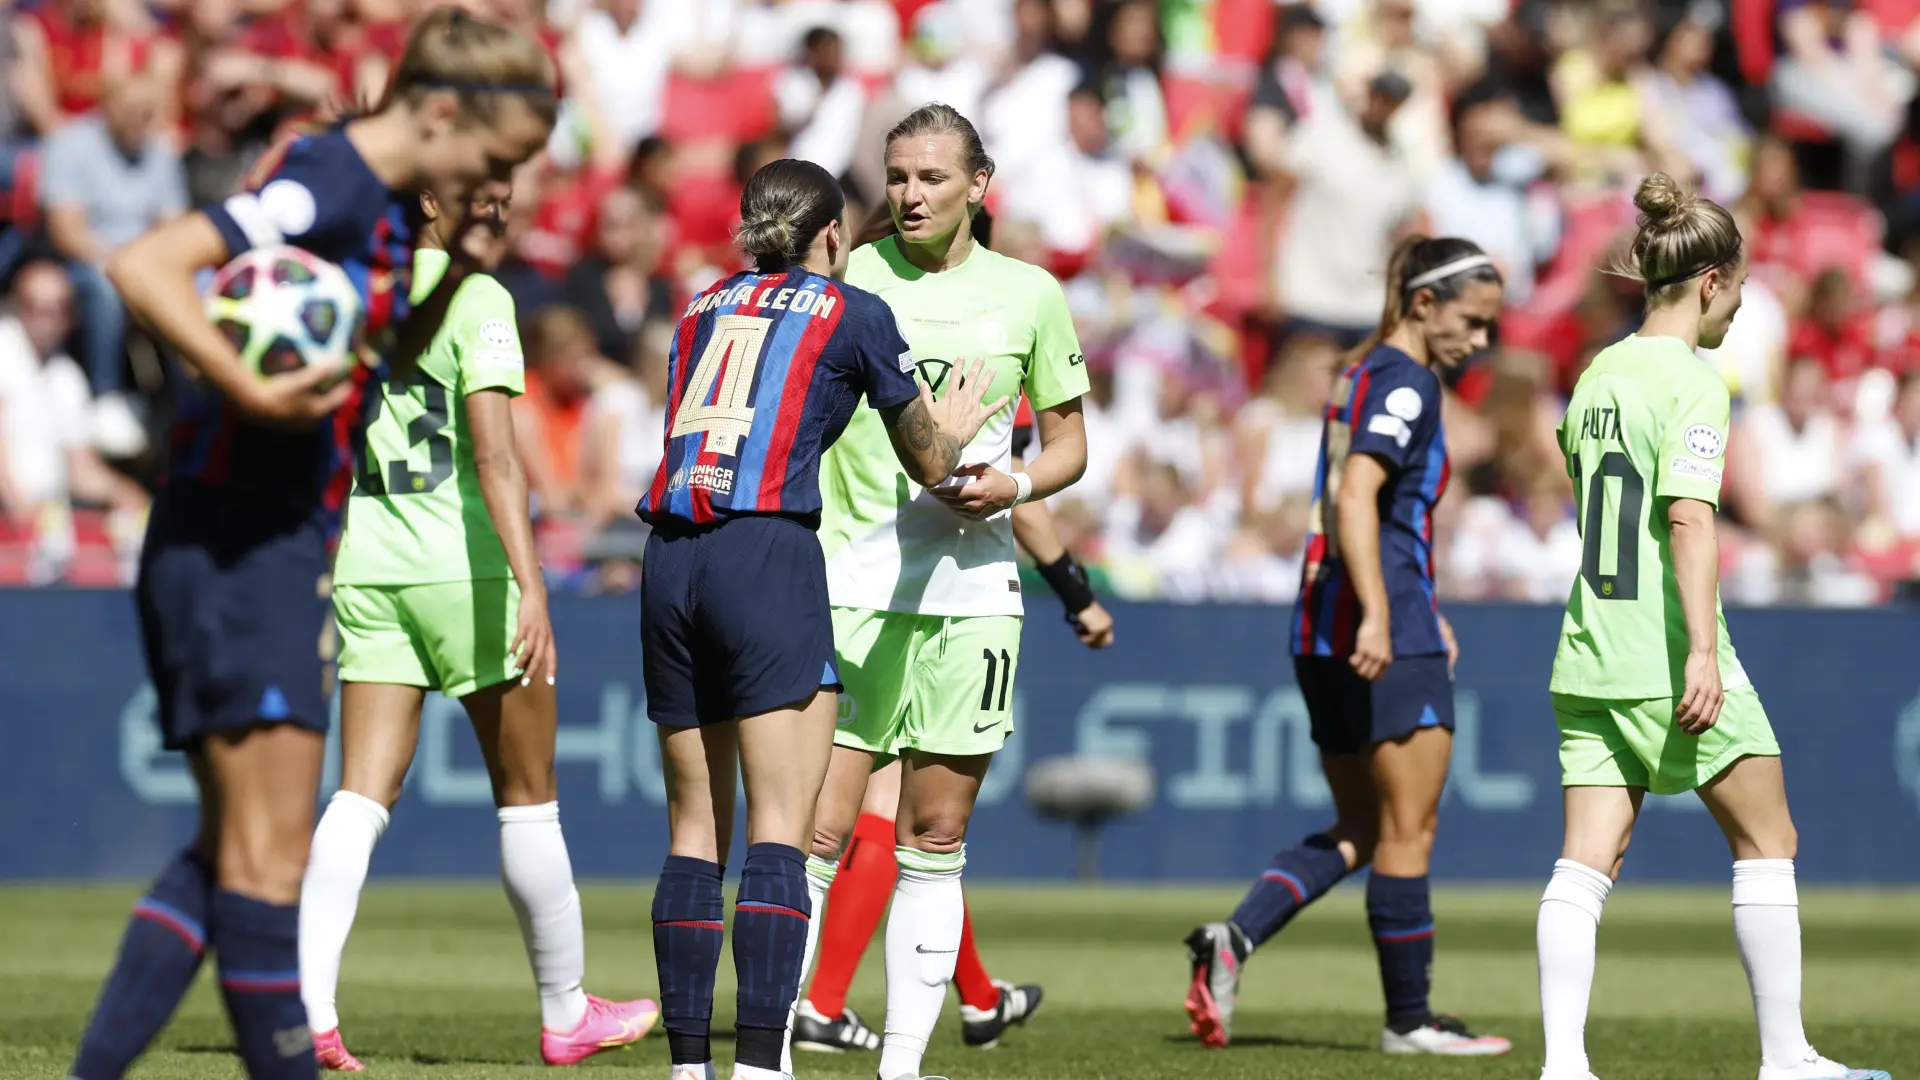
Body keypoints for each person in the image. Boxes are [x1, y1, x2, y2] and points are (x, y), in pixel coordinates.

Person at [65, 10, 555, 1079]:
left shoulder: (382, 219)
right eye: (493, 160)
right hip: (238, 534)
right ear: (438, 112)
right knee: (266, 860)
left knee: (231, 856)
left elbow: (374, 361)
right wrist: (248, 388)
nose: (494, 187)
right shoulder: (325, 183)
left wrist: (455, 282)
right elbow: (146, 264)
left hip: (282, 533)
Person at [639, 157, 1005, 1080]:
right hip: (765, 554)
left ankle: (690, 1067)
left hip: (669, 553)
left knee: (693, 831)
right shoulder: (853, 309)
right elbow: (929, 463)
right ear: (834, 234)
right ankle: (761, 1066)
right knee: (780, 828)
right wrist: (953, 429)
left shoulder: (699, 305)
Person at [295, 180, 657, 1071]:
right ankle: (566, 1011)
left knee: (358, 794)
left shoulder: (360, 289)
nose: (504, 211)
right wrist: (532, 582)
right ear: (436, 204)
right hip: (468, 569)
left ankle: (306, 1008)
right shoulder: (476, 293)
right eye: (486, 197)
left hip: (372, 559)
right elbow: (495, 452)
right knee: (529, 797)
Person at [1537, 175, 1890, 1080]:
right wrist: (1701, 651)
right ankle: (1787, 1059)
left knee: (1584, 863)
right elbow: (1689, 520)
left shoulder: (1594, 375)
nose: (1737, 311)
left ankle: (1565, 1068)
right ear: (1711, 282)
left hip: (1588, 651)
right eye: (1737, 293)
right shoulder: (1694, 382)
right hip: (1665, 653)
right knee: (1769, 841)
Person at [792, 102, 1091, 1080]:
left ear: (978, 185)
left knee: (933, 836)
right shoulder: (846, 281)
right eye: (899, 176)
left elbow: (1069, 444)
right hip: (850, 590)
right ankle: (772, 1058)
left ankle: (902, 1067)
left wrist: (1016, 484)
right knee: (818, 833)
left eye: (930, 177)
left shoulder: (1032, 295)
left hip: (971, 592)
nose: (910, 194)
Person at [1183, 236, 1512, 1056]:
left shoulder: (1361, 374)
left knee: (1363, 825)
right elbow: (1358, 494)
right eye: (1472, 322)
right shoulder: (1406, 383)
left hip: (1319, 625)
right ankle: (1411, 1019)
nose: (1481, 341)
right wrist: (1384, 612)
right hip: (1378, 625)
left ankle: (1234, 940)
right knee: (1410, 828)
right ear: (1424, 304)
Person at [791, 395, 1114, 1057]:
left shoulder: (867, 333)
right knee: (896, 821)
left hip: (847, 585)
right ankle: (822, 1004)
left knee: (915, 826)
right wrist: (1073, 589)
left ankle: (977, 997)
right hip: (914, 594)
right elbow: (1003, 489)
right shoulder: (983, 353)